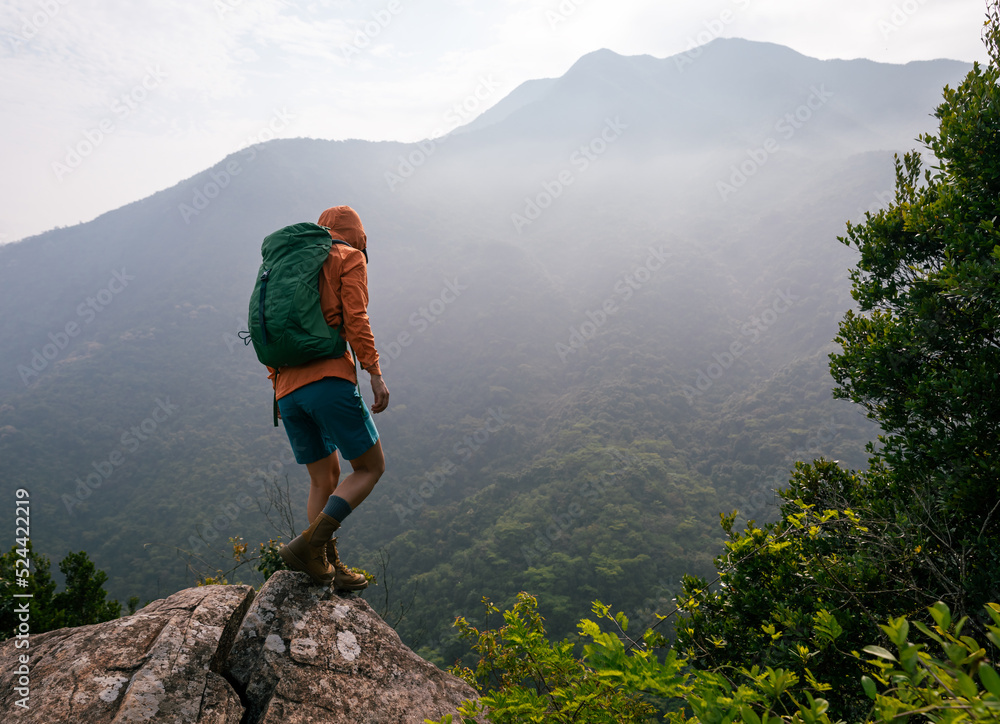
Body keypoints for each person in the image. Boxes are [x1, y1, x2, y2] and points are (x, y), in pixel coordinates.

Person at [271, 205, 389, 589]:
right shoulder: (348, 257)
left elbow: (269, 330)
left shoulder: (289, 265)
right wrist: (374, 373)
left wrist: (279, 385)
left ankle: (327, 567)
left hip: (286, 392)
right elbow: (356, 318)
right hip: (329, 381)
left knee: (324, 479)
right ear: (357, 235)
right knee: (370, 468)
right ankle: (309, 546)